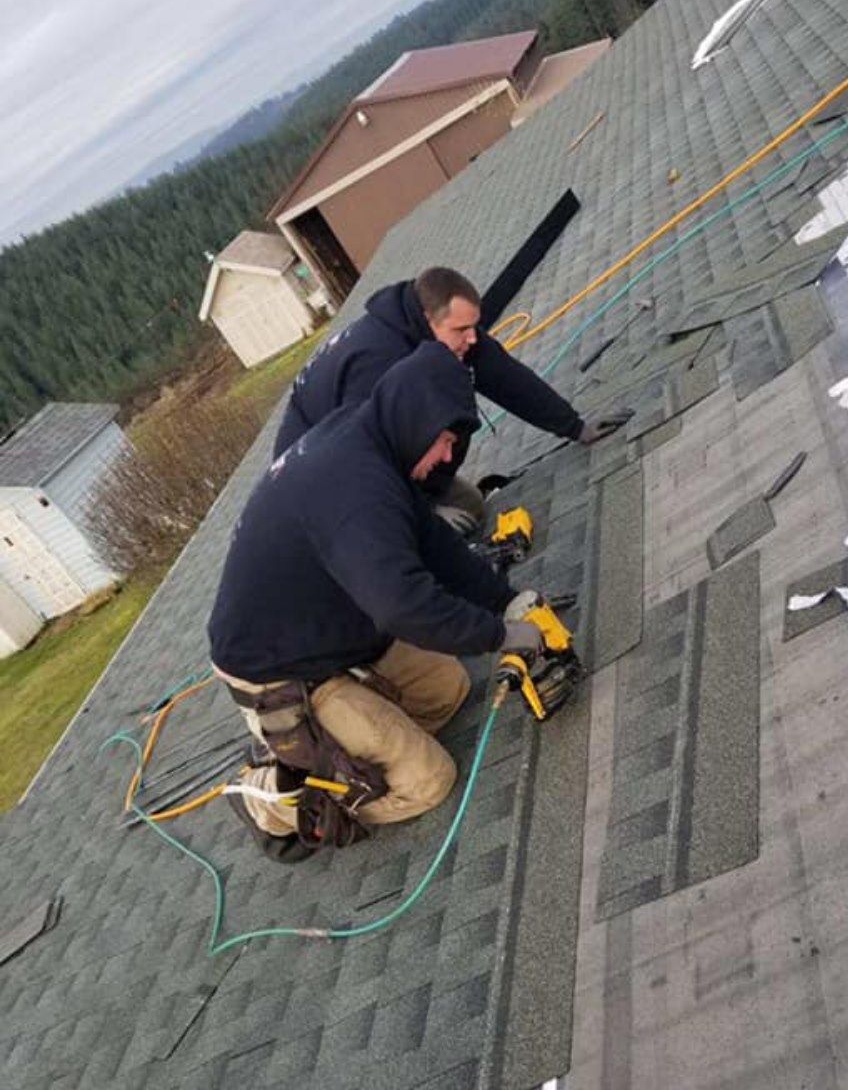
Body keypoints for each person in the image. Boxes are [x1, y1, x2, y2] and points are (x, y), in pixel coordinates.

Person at [208, 341, 544, 862]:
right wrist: (501, 636)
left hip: (333, 632)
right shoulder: (356, 488)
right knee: (429, 781)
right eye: (446, 442)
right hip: (278, 672)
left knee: (447, 690)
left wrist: (507, 602)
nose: (448, 457)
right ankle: (272, 798)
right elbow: (403, 606)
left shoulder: (376, 441)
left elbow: (437, 548)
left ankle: (346, 741)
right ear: (417, 420)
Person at [273, 266, 623, 531]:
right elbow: (365, 461)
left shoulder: (446, 329)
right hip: (323, 488)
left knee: (471, 508)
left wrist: (575, 427)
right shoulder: (378, 365)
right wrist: (425, 515)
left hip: (378, 463)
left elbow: (504, 376)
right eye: (461, 330)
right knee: (431, 540)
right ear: (428, 319)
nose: (472, 338)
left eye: (473, 326)